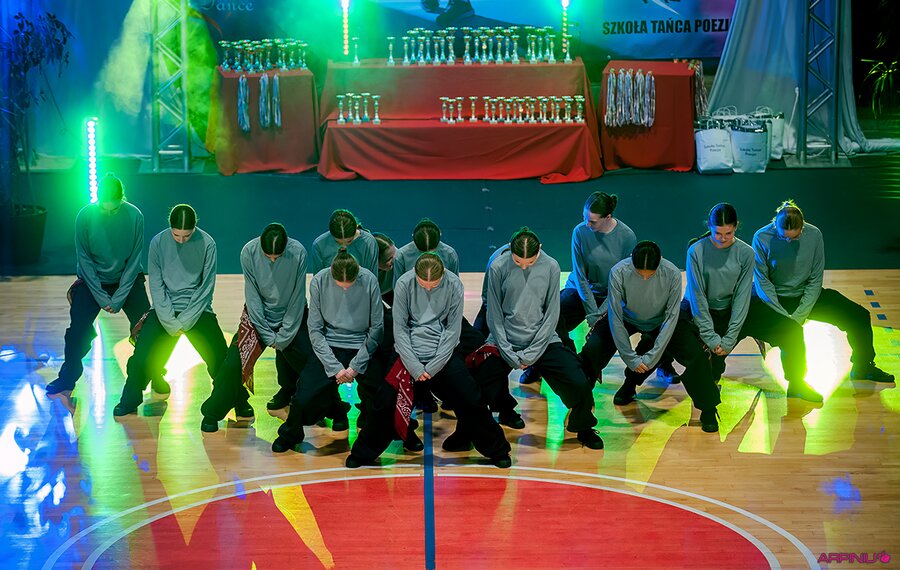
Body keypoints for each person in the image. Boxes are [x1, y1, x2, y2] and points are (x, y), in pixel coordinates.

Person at [346, 254, 512, 468]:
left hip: (443, 353)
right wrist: (415, 367)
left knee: (471, 397)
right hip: (408, 354)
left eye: (434, 285)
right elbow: (400, 330)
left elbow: (453, 331)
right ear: (415, 274)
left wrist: (433, 366)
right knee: (385, 401)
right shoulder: (404, 283)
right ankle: (363, 452)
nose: (428, 289)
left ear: (443, 275)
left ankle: (497, 449)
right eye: (423, 285)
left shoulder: (454, 284)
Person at [272, 249, 420, 453]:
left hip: (363, 345)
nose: (345, 288)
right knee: (303, 396)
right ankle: (291, 434)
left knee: (385, 394)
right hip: (329, 346)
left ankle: (403, 432)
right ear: (331, 273)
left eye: (349, 284)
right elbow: (315, 330)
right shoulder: (319, 281)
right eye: (340, 285)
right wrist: (334, 367)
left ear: (357, 273)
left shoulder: (369, 280)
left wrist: (356, 366)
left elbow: (376, 328)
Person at [475, 228, 604, 448]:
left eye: (530, 262)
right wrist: (508, 352)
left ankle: (583, 427)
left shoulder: (551, 266)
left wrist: (532, 353)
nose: (524, 267)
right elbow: (493, 314)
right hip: (504, 340)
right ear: (510, 250)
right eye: (518, 262)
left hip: (543, 340)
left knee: (579, 382)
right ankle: (503, 413)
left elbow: (552, 315)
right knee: (479, 381)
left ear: (540, 250)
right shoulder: (498, 266)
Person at [685, 203, 821, 402]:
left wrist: (730, 338)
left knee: (792, 331)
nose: (723, 239)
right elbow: (697, 297)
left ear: (736, 226)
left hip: (738, 308)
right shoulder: (695, 251)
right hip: (709, 311)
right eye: (718, 233)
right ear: (709, 227)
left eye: (728, 233)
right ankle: (711, 383)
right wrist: (711, 338)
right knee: (710, 355)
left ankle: (797, 384)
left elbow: (742, 297)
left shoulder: (746, 252)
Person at [581, 241, 720, 432]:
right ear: (631, 260)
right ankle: (580, 402)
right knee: (593, 349)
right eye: (640, 274)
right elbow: (615, 317)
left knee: (696, 354)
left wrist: (652, 356)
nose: (645, 278)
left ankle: (708, 408)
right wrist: (629, 358)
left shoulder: (672, 273)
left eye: (650, 274)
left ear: (660, 262)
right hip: (626, 317)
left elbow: (671, 318)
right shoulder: (618, 272)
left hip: (663, 319)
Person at [751, 200, 894, 385]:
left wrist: (798, 317)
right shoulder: (761, 237)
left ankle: (863, 367)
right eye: (783, 237)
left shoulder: (814, 235)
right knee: (732, 318)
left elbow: (815, 279)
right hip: (772, 299)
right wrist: (783, 316)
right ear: (774, 225)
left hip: (805, 295)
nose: (788, 241)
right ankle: (716, 375)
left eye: (794, 238)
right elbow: (762, 282)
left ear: (802, 228)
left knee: (859, 316)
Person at [47, 174, 156, 403]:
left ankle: (153, 373)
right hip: (92, 281)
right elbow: (84, 260)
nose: (109, 213)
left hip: (127, 279)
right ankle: (67, 378)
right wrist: (102, 297)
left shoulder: (135, 215)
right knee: (77, 332)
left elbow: (134, 260)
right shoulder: (85, 216)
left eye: (114, 209)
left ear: (122, 199)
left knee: (146, 327)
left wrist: (118, 297)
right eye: (104, 209)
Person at [114, 204, 227, 416]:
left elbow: (206, 288)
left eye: (187, 236)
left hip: (198, 311)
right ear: (170, 227)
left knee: (220, 357)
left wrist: (185, 320)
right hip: (164, 310)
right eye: (176, 235)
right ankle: (130, 400)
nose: (181, 240)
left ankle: (236, 400)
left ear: (195, 228)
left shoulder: (208, 243)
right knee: (141, 356)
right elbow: (156, 286)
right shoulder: (158, 243)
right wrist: (170, 321)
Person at [199, 223, 312, 431]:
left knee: (312, 362)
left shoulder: (298, 253)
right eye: (268, 256)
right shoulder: (248, 252)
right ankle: (212, 412)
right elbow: (252, 298)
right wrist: (268, 335)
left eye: (277, 257)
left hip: (292, 316)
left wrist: (284, 336)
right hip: (257, 317)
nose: (273, 260)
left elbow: (298, 297)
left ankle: (330, 410)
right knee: (233, 364)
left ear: (286, 247)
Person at [310, 209, 379, 276]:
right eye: (338, 242)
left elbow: (372, 279)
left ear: (356, 227)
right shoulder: (319, 245)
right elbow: (318, 279)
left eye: (349, 241)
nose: (344, 247)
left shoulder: (369, 243)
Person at [373, 232, 397, 305]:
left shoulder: (400, 258)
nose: (394, 260)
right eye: (389, 259)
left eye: (394, 255)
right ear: (375, 261)